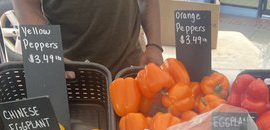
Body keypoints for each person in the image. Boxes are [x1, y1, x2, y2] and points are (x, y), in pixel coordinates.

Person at [12, 0, 164, 77]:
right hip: (68, 69)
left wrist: (154, 44)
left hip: (129, 64)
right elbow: (26, 3)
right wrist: (48, 53)